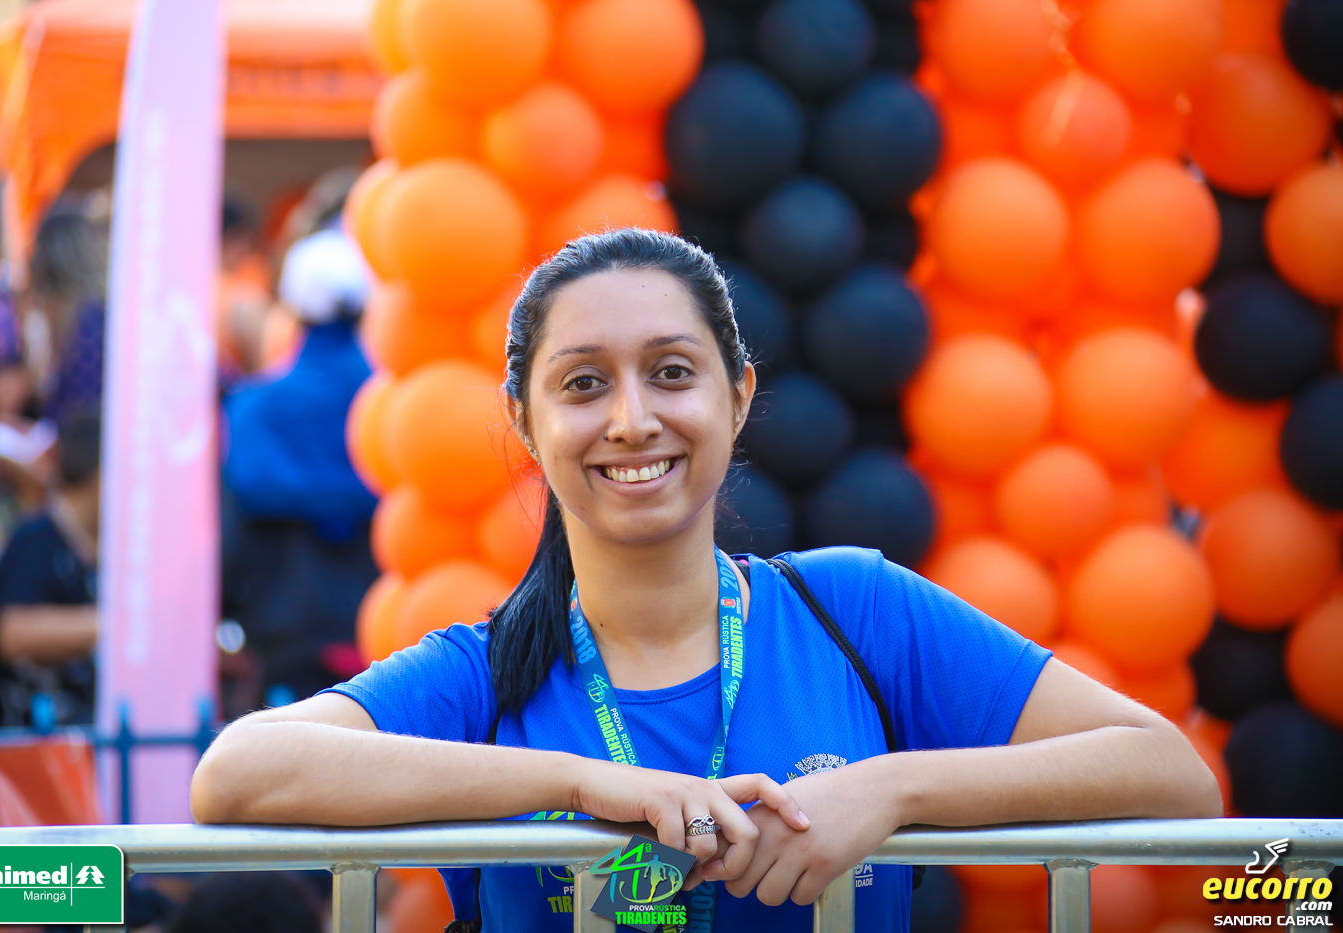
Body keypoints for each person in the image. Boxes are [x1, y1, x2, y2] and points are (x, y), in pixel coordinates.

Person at [191, 228, 1221, 931]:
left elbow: (1171, 773)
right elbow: (238, 774)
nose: (632, 419)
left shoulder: (853, 609)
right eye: (583, 383)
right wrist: (578, 784)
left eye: (672, 372)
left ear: (737, 396)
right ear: (525, 424)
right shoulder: (485, 672)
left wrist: (892, 790)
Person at [219, 226, 378, 703]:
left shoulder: (254, 409)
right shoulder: (393, 408)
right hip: (390, 628)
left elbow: (232, 528)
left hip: (284, 632)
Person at [0, 408, 101, 727]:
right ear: (98, 478)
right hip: (26, 734)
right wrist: (107, 626)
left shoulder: (95, 545)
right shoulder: (36, 538)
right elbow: (11, 632)